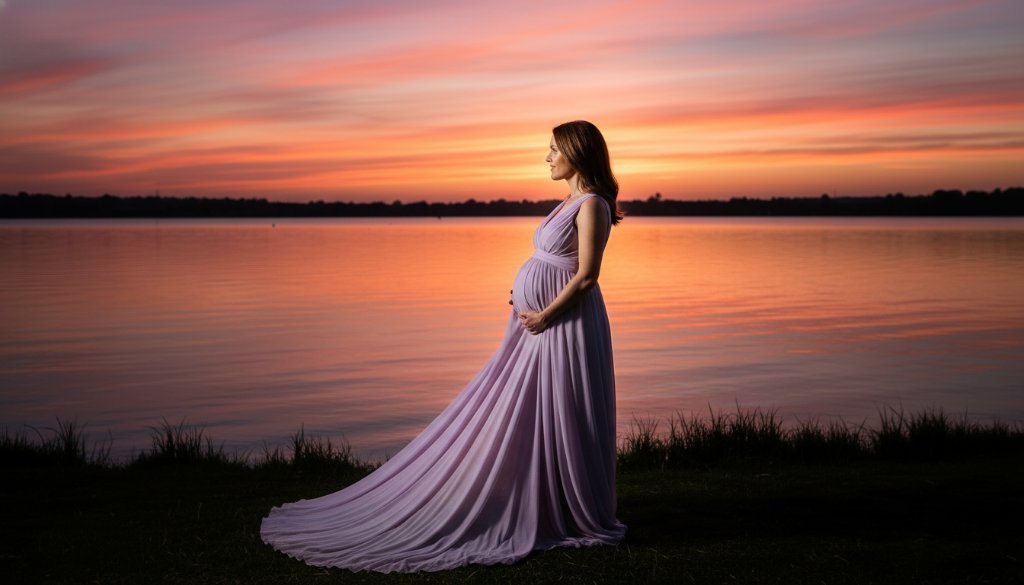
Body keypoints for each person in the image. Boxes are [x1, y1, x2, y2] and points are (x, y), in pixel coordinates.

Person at [260, 120, 627, 573]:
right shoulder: (567, 202)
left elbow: (587, 275)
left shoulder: (592, 205)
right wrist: (526, 296)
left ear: (576, 151)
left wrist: (546, 313)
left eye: (553, 149)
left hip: (563, 327)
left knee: (564, 411)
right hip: (537, 327)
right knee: (532, 411)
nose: (546, 157)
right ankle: (541, 493)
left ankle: (570, 508)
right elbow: (552, 261)